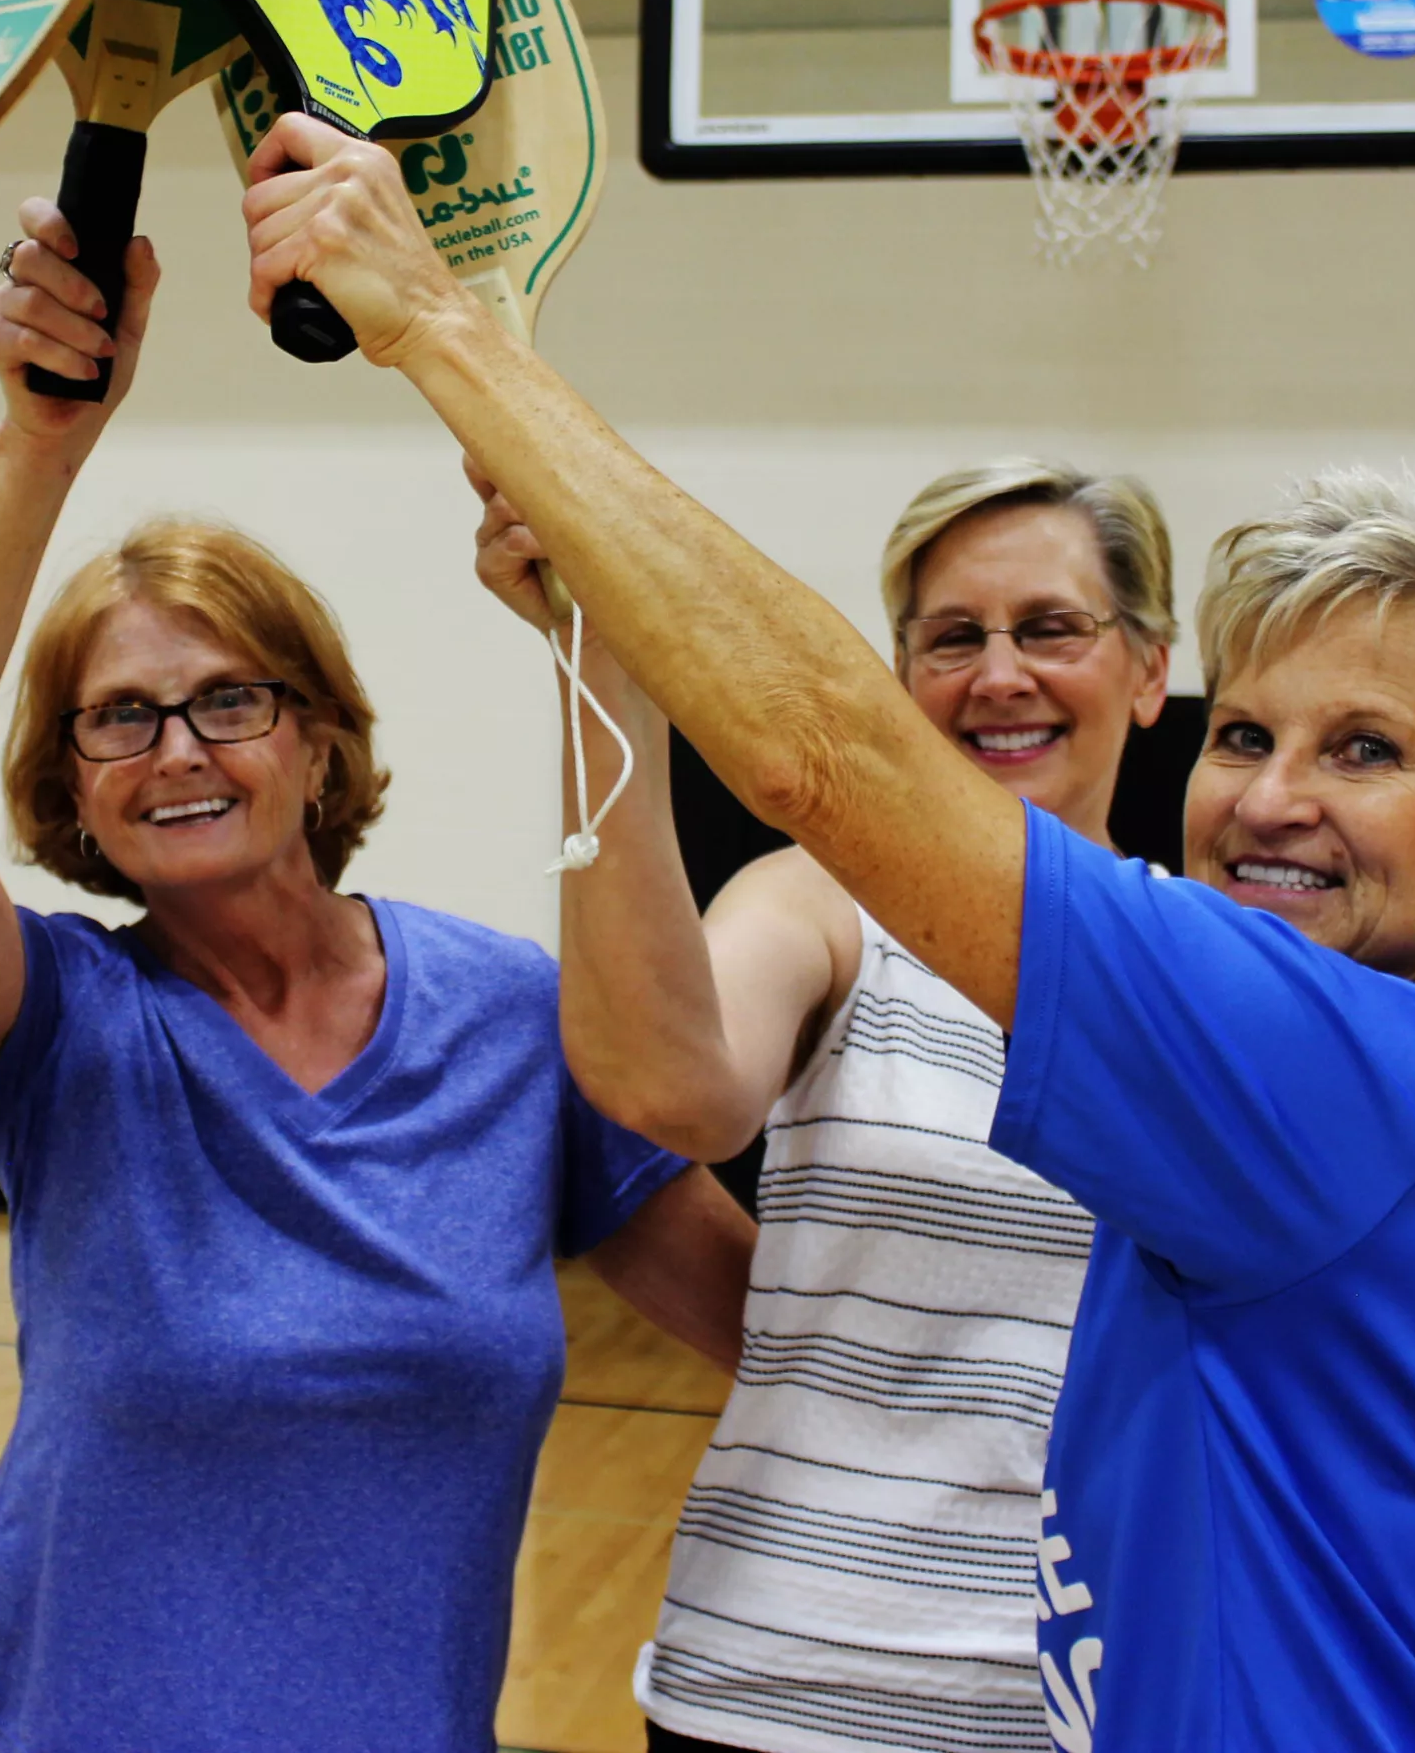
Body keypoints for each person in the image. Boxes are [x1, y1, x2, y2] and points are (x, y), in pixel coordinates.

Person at [241, 116, 1415, 1753]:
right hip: (844, 1676)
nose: (1268, 798)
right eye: (1245, 740)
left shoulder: (1300, 1055)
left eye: (1366, 752)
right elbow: (669, 1077)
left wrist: (438, 325)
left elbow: (813, 748)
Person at [0, 209, 755, 1753]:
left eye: (228, 699)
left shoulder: (509, 1019)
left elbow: (773, 1328)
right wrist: (39, 446)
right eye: (119, 718)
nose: (174, 751)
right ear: (70, 785)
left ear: (315, 738)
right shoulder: (57, 1029)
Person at [475, 458, 1173, 1753]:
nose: (998, 673)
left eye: (1050, 628)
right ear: (902, 679)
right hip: (774, 1692)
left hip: (1092, 1705)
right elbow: (671, 1085)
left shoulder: (1206, 966)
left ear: (1146, 670)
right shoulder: (820, 907)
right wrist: (599, 667)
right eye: (951, 637)